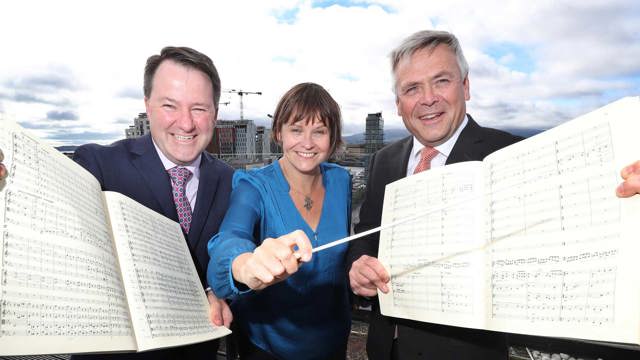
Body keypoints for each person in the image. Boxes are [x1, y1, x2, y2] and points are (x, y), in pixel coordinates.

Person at [69, 46, 234, 360]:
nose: (186, 124)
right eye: (170, 105)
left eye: (199, 108)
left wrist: (218, 292)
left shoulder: (232, 183)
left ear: (214, 113)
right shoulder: (98, 165)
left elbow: (236, 264)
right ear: (148, 106)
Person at [207, 82, 352, 360]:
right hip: (269, 347)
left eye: (319, 131)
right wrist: (243, 265)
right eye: (296, 129)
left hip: (332, 340)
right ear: (279, 133)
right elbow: (229, 238)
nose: (307, 143)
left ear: (332, 137)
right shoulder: (253, 185)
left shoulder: (341, 181)